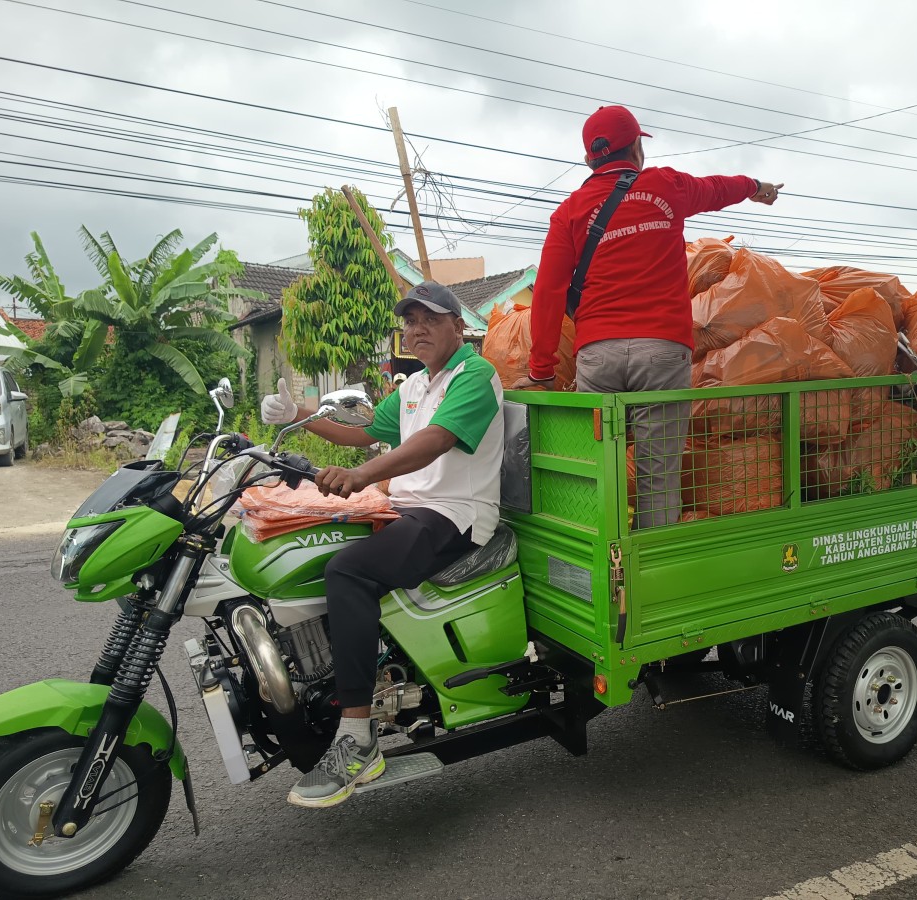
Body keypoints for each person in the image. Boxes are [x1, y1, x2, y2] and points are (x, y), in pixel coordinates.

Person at [260, 281, 504, 808]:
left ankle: (357, 737)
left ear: (458, 326)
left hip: (454, 514)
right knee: (309, 551)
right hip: (405, 507)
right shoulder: (414, 385)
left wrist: (361, 475)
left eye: (430, 319)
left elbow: (434, 441)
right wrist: (299, 414)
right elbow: (365, 429)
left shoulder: (476, 375)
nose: (418, 329)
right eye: (411, 321)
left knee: (348, 572)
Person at [512, 104, 783, 528]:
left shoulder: (570, 211)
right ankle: (651, 561)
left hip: (597, 354)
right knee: (658, 476)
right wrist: (757, 186)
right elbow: (717, 188)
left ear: (588, 159)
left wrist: (541, 370)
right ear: (637, 148)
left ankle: (604, 551)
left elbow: (547, 292)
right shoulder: (666, 185)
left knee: (599, 470)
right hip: (662, 351)